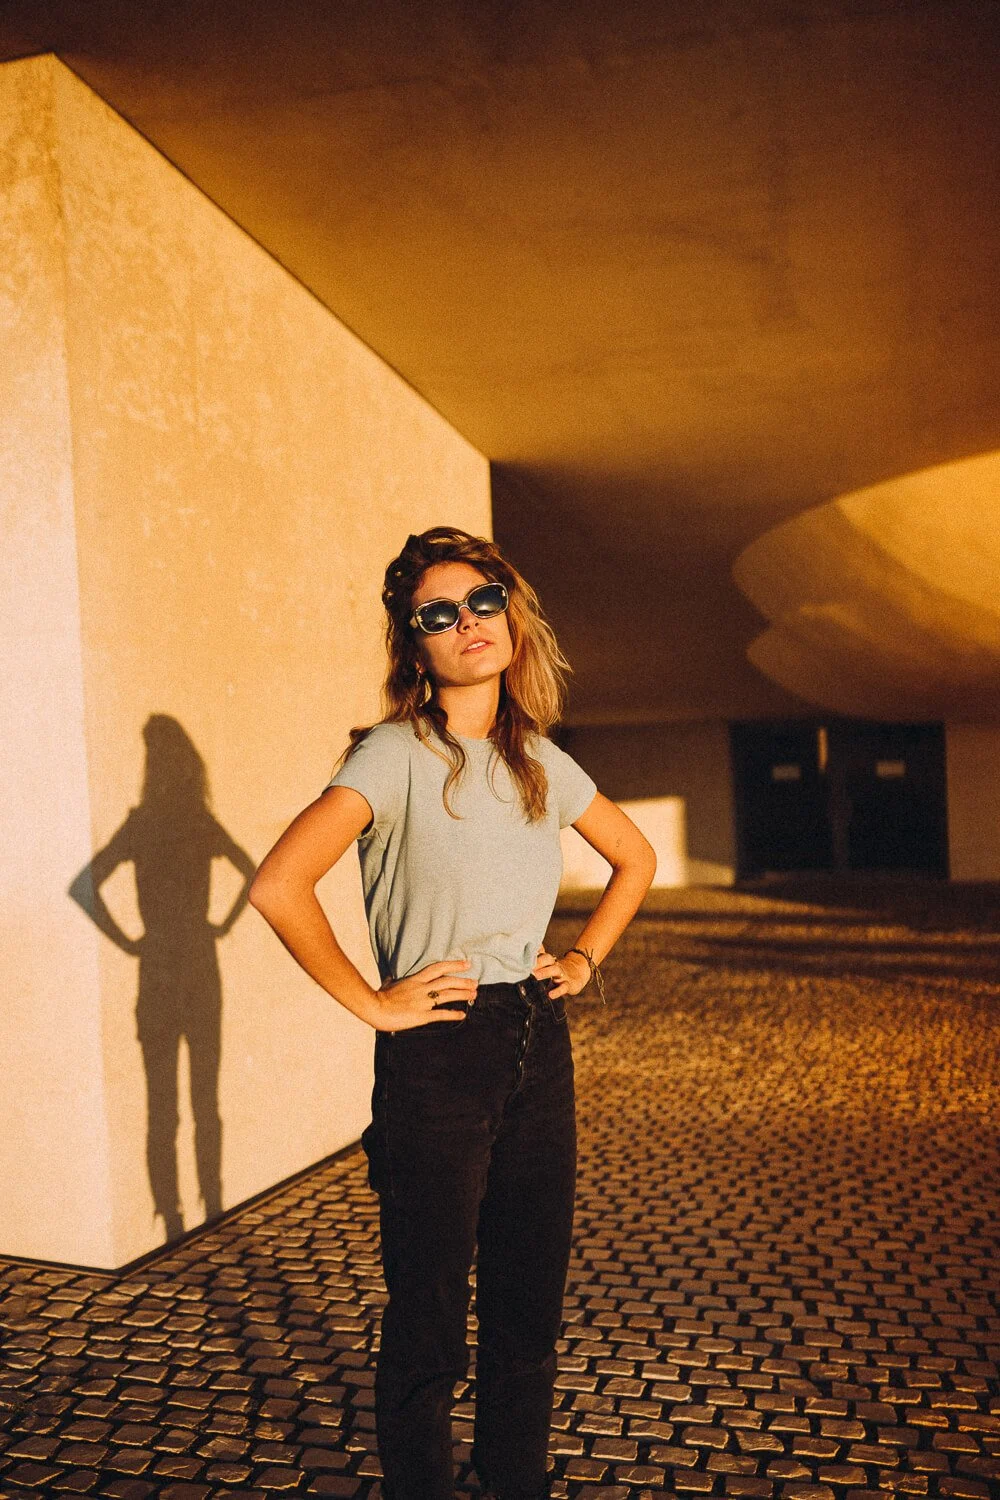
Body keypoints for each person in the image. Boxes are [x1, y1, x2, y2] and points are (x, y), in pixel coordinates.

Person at [249, 526, 656, 1500]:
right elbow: (279, 885)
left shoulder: (541, 764)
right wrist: (375, 1006)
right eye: (439, 613)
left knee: (527, 1314)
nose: (467, 623)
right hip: (438, 1053)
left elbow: (633, 860)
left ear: (510, 617)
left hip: (535, 1041)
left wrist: (585, 957)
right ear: (414, 646)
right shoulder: (392, 756)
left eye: (481, 601)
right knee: (429, 1320)